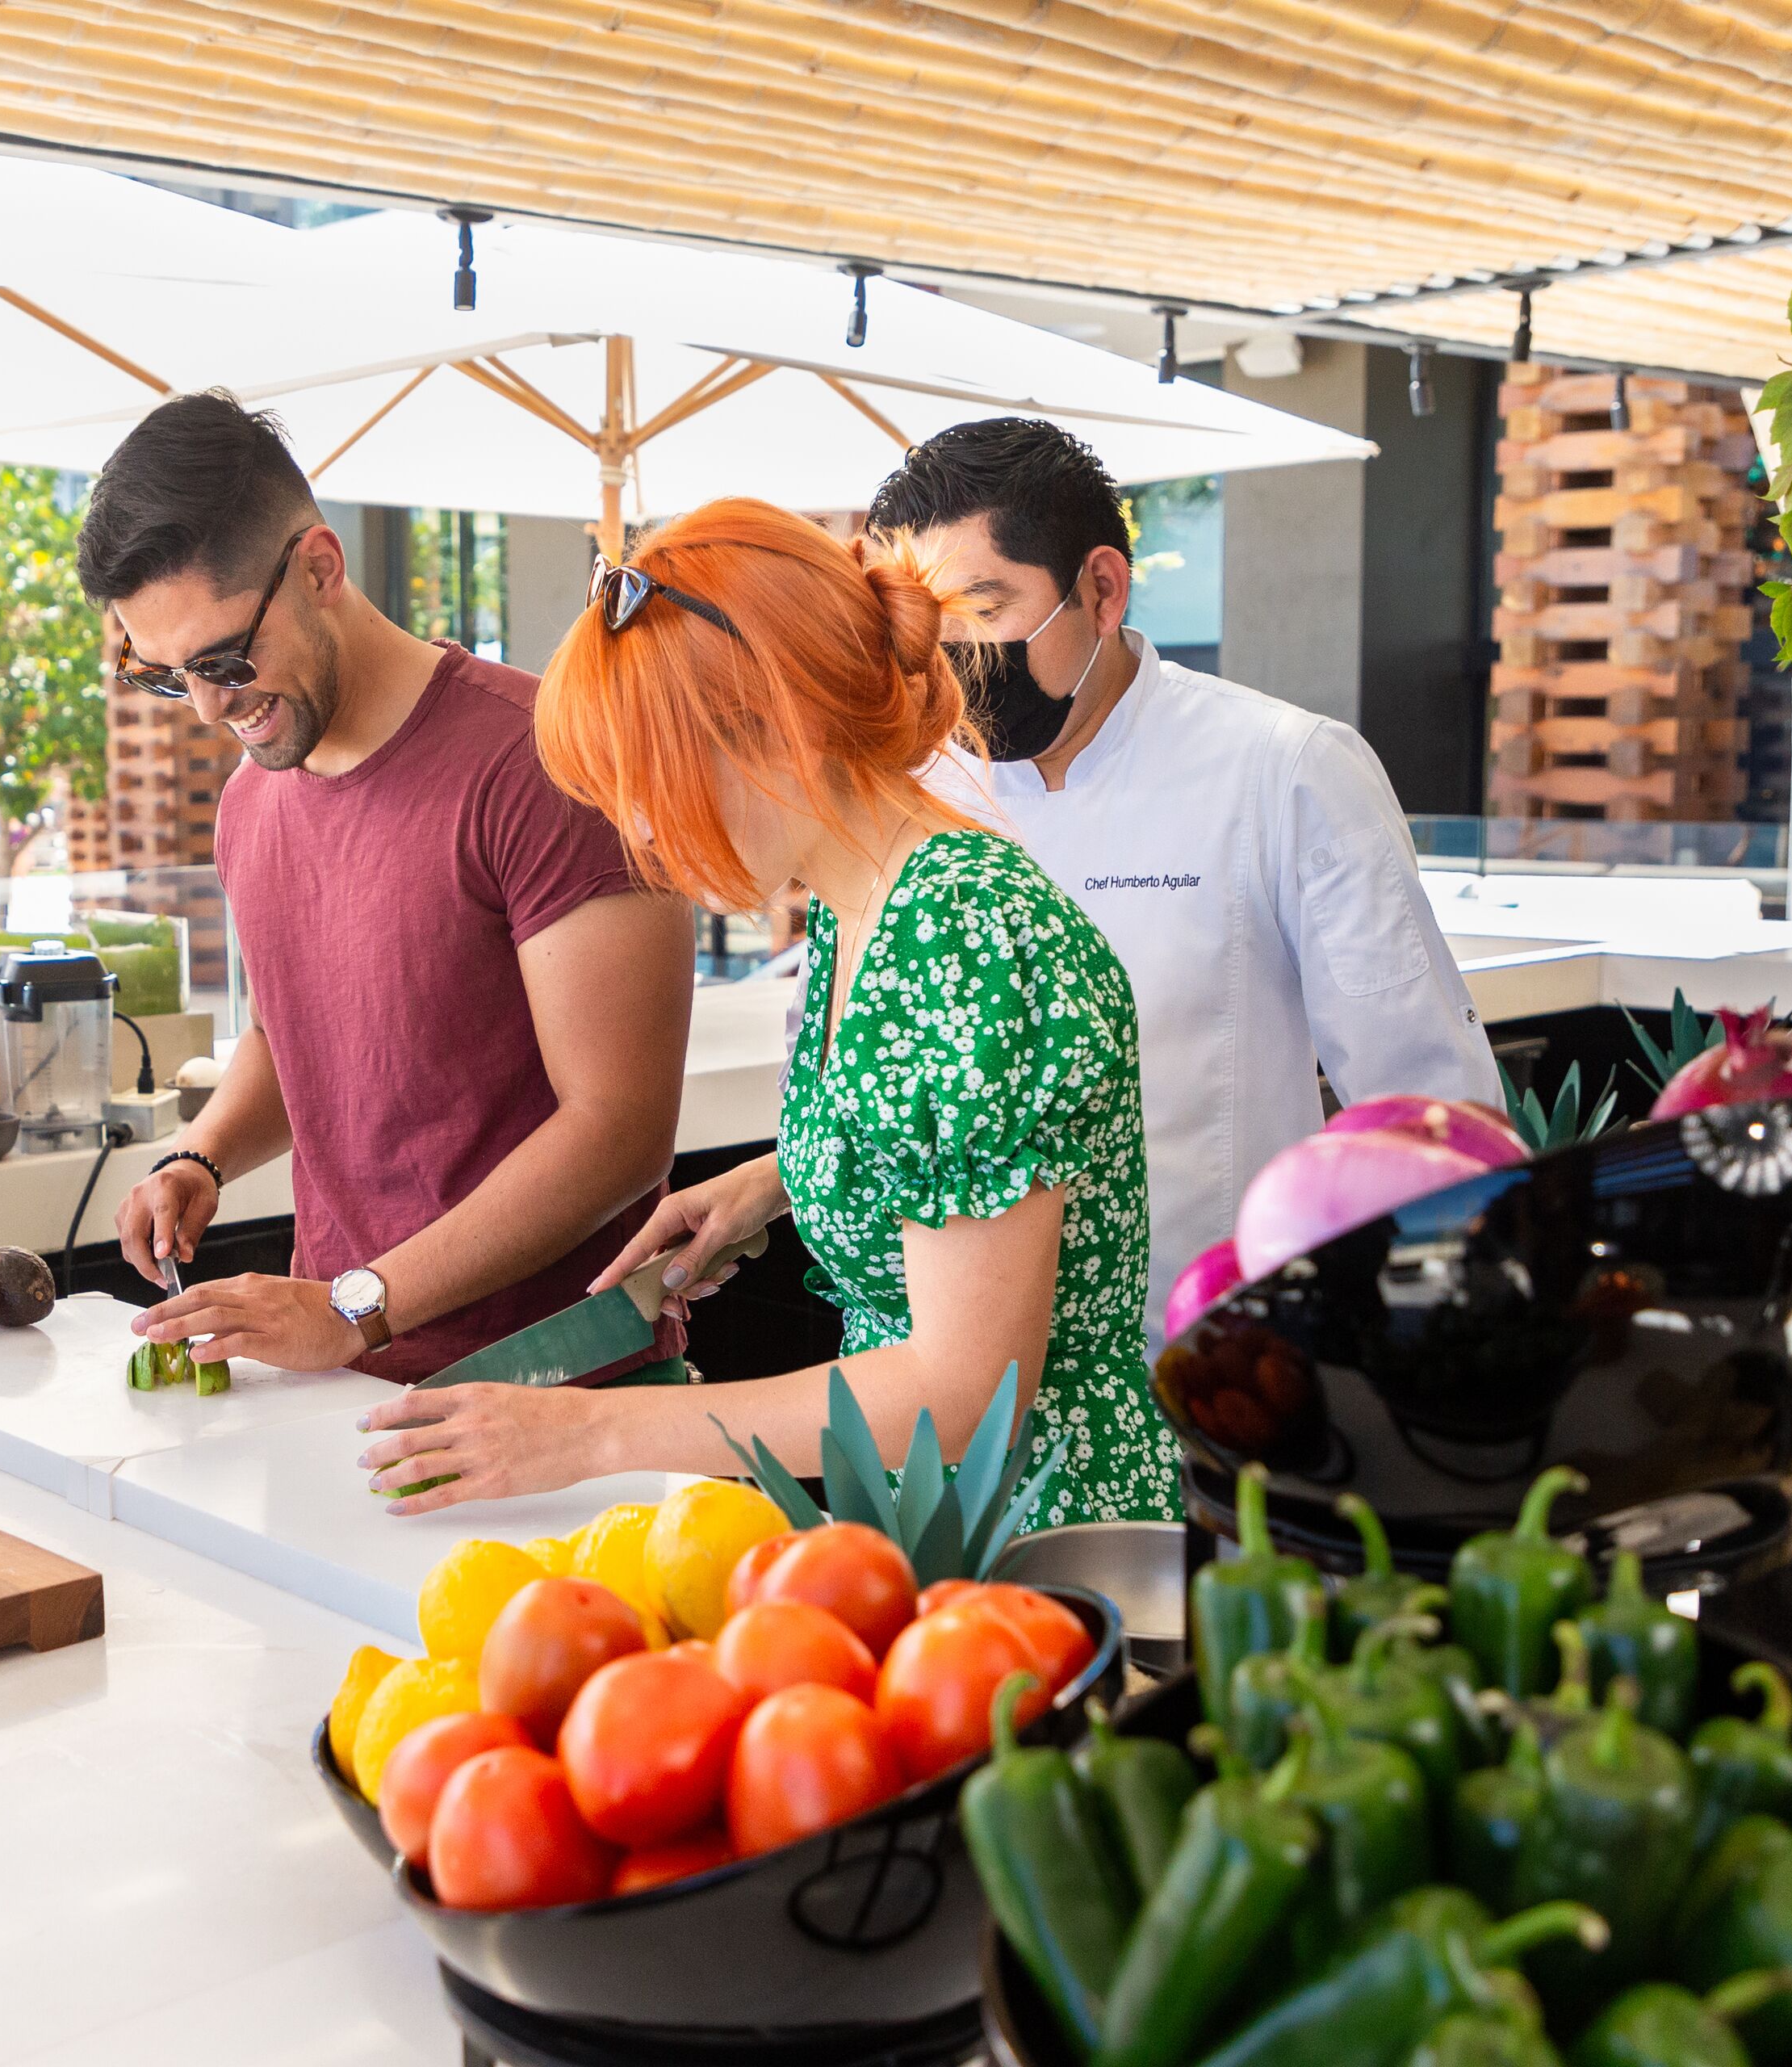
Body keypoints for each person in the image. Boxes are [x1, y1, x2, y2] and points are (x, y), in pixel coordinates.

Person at [358, 499, 1170, 1526]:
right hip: (923, 1519)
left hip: (1042, 1537)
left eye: (652, 780)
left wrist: (589, 1430)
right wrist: (780, 1179)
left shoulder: (965, 930)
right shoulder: (856, 902)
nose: (640, 829)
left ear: (779, 725)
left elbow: (964, 1394)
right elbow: (937, 1135)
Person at [89, 392, 697, 1386]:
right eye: (163, 675)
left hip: (565, 1397)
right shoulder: (250, 803)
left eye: (224, 659)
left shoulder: (549, 763)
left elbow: (619, 1131)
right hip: (342, 1390)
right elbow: (300, 1036)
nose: (204, 707)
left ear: (320, 568)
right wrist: (200, 1155)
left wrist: (354, 1306)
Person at [871, 418, 1502, 1351]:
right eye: (929, 622)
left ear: (1103, 588)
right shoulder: (913, 794)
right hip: (951, 1370)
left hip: (1210, 1353)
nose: (954, 654)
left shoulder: (1285, 769)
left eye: (983, 606)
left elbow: (1426, 1106)